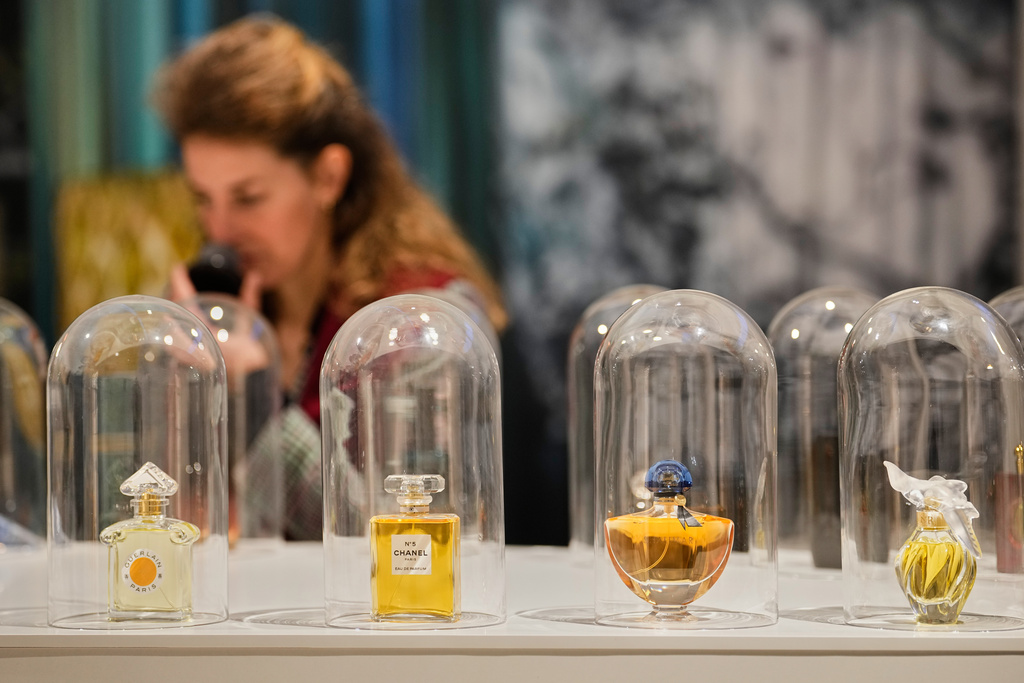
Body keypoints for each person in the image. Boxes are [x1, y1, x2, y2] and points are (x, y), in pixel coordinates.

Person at [155, 15, 506, 540]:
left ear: (328, 176)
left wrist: (253, 405)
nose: (221, 231)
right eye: (203, 199)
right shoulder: (218, 309)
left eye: (249, 198)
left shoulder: (422, 322)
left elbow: (398, 539)